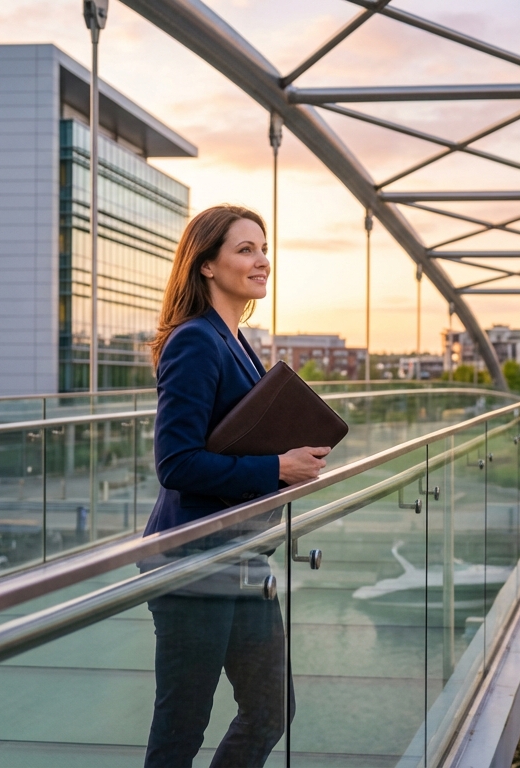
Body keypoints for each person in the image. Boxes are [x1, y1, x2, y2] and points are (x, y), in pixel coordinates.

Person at [143, 204, 330, 768]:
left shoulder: (235, 339)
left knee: (271, 709)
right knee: (182, 727)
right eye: (245, 250)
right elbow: (176, 463)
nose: (261, 260)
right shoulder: (195, 341)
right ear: (206, 264)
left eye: (263, 248)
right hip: (192, 561)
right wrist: (277, 468)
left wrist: (289, 456)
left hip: (240, 554)